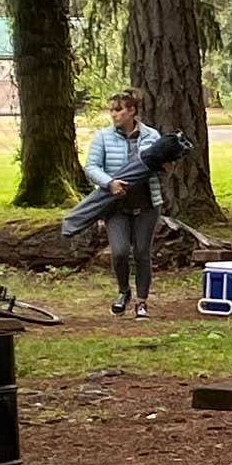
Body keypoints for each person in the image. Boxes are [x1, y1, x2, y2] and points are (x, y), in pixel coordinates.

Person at [79, 91, 171, 318]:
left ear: (132, 111)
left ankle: (142, 302)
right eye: (111, 110)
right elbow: (91, 167)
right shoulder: (103, 137)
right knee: (119, 252)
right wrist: (110, 183)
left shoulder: (151, 135)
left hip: (147, 204)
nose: (113, 114)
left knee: (142, 252)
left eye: (118, 110)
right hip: (115, 205)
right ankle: (123, 291)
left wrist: (166, 162)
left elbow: (161, 164)